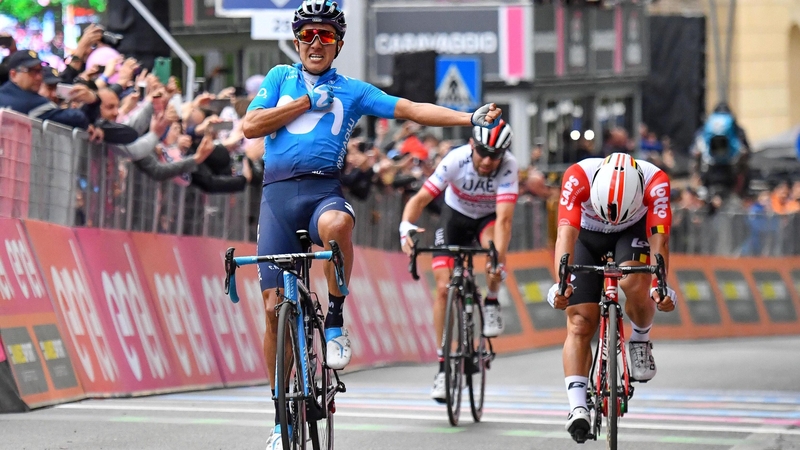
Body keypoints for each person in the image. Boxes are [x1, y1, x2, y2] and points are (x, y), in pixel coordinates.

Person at [241, 1, 503, 448]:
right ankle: (280, 417)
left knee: (338, 223)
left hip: (322, 191)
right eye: (308, 35)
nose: (316, 43)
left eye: (326, 35)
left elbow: (412, 109)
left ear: (339, 44)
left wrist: (468, 118)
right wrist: (305, 103)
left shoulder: (353, 90)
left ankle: (335, 318)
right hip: (276, 198)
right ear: (297, 41)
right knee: (271, 310)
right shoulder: (280, 78)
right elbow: (251, 126)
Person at [546, 153, 676, 443]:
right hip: (585, 235)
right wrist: (562, 284)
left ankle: (640, 339)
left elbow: (660, 240)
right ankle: (577, 406)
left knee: (634, 280)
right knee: (580, 321)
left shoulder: (655, 182)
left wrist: (660, 286)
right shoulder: (577, 176)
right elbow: (565, 237)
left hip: (632, 232)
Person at [399, 120, 518, 402]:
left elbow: (504, 220)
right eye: (483, 152)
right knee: (443, 289)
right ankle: (443, 367)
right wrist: (405, 228)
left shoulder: (509, 166)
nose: (488, 161)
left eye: (495, 155)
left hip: (487, 220)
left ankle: (491, 300)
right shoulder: (456, 159)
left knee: (494, 249)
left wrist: (498, 261)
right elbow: (420, 199)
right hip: (455, 218)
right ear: (472, 145)